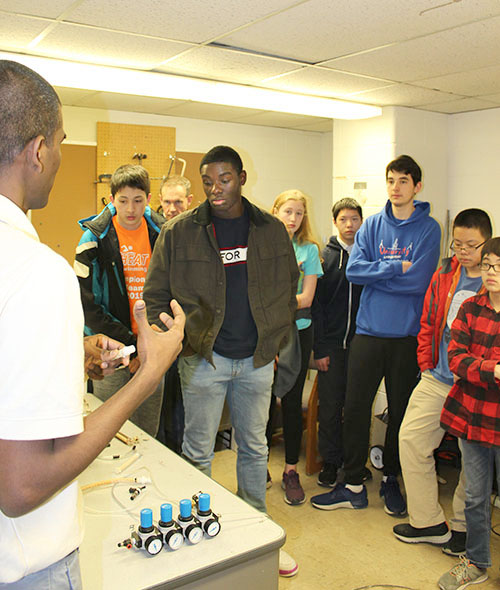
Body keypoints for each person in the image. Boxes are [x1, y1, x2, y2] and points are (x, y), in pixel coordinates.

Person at [0, 59, 184, 588]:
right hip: (27, 565)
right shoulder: (38, 271)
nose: (59, 156)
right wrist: (148, 376)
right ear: (38, 151)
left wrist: (72, 350)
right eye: (59, 141)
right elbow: (22, 488)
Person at [143, 145, 300, 577]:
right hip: (204, 360)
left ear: (242, 178)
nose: (216, 189)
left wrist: (275, 335)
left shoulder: (270, 230)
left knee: (254, 448)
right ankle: (202, 539)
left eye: (224, 179)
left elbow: (289, 287)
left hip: (257, 359)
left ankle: (257, 535)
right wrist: (182, 343)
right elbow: (155, 294)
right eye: (208, 182)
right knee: (197, 454)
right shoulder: (178, 232)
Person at [311, 154, 441, 516]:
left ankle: (391, 480)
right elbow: (354, 272)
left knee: (401, 412)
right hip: (367, 334)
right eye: (391, 180)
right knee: (354, 409)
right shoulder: (370, 227)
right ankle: (353, 482)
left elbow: (420, 282)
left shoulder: (428, 229)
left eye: (403, 181)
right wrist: (396, 266)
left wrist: (378, 274)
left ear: (417, 186)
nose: (396, 187)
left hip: (405, 337)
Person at [393, 209, 492, 554]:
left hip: (476, 383)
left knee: (472, 458)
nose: (462, 251)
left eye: (471, 245)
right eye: (457, 243)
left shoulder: (493, 280)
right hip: (437, 376)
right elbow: (429, 318)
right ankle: (428, 522)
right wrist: (425, 361)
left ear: (486, 242)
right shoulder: (446, 272)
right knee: (411, 439)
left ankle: (464, 527)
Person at [74, 164, 166, 436]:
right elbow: (87, 305)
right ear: (112, 199)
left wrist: (148, 345)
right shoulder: (93, 239)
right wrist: (132, 345)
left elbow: (172, 293)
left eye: (138, 201)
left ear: (149, 200)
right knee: (107, 434)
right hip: (110, 350)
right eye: (123, 201)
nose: (130, 209)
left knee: (148, 433)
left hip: (153, 349)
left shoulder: (163, 234)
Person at [437, 237, 500, 590]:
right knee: (475, 496)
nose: (491, 273)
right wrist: (491, 369)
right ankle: (476, 563)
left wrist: (479, 368)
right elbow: (457, 359)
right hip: (472, 417)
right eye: (488, 264)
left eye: (498, 267)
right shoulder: (470, 308)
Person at [268, 189, 323, 505]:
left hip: (298, 334)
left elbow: (307, 298)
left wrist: (275, 305)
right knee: (260, 400)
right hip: (264, 335)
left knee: (289, 401)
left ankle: (290, 470)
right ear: (276, 211)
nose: (292, 218)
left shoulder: (309, 250)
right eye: (287, 211)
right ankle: (257, 467)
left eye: (299, 213)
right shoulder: (263, 246)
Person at [311, 198, 364, 488]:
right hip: (330, 344)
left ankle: (353, 462)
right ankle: (330, 462)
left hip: (360, 344)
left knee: (355, 406)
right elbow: (317, 307)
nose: (349, 225)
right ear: (335, 222)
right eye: (344, 219)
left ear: (361, 222)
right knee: (330, 406)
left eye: (354, 219)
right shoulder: (325, 258)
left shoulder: (367, 256)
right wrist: (319, 349)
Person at [156, 175, 192, 451]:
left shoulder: (200, 234)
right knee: (164, 404)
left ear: (189, 202)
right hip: (163, 332)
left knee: (184, 405)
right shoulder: (155, 233)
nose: (171, 208)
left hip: (192, 337)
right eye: (167, 202)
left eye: (177, 202)